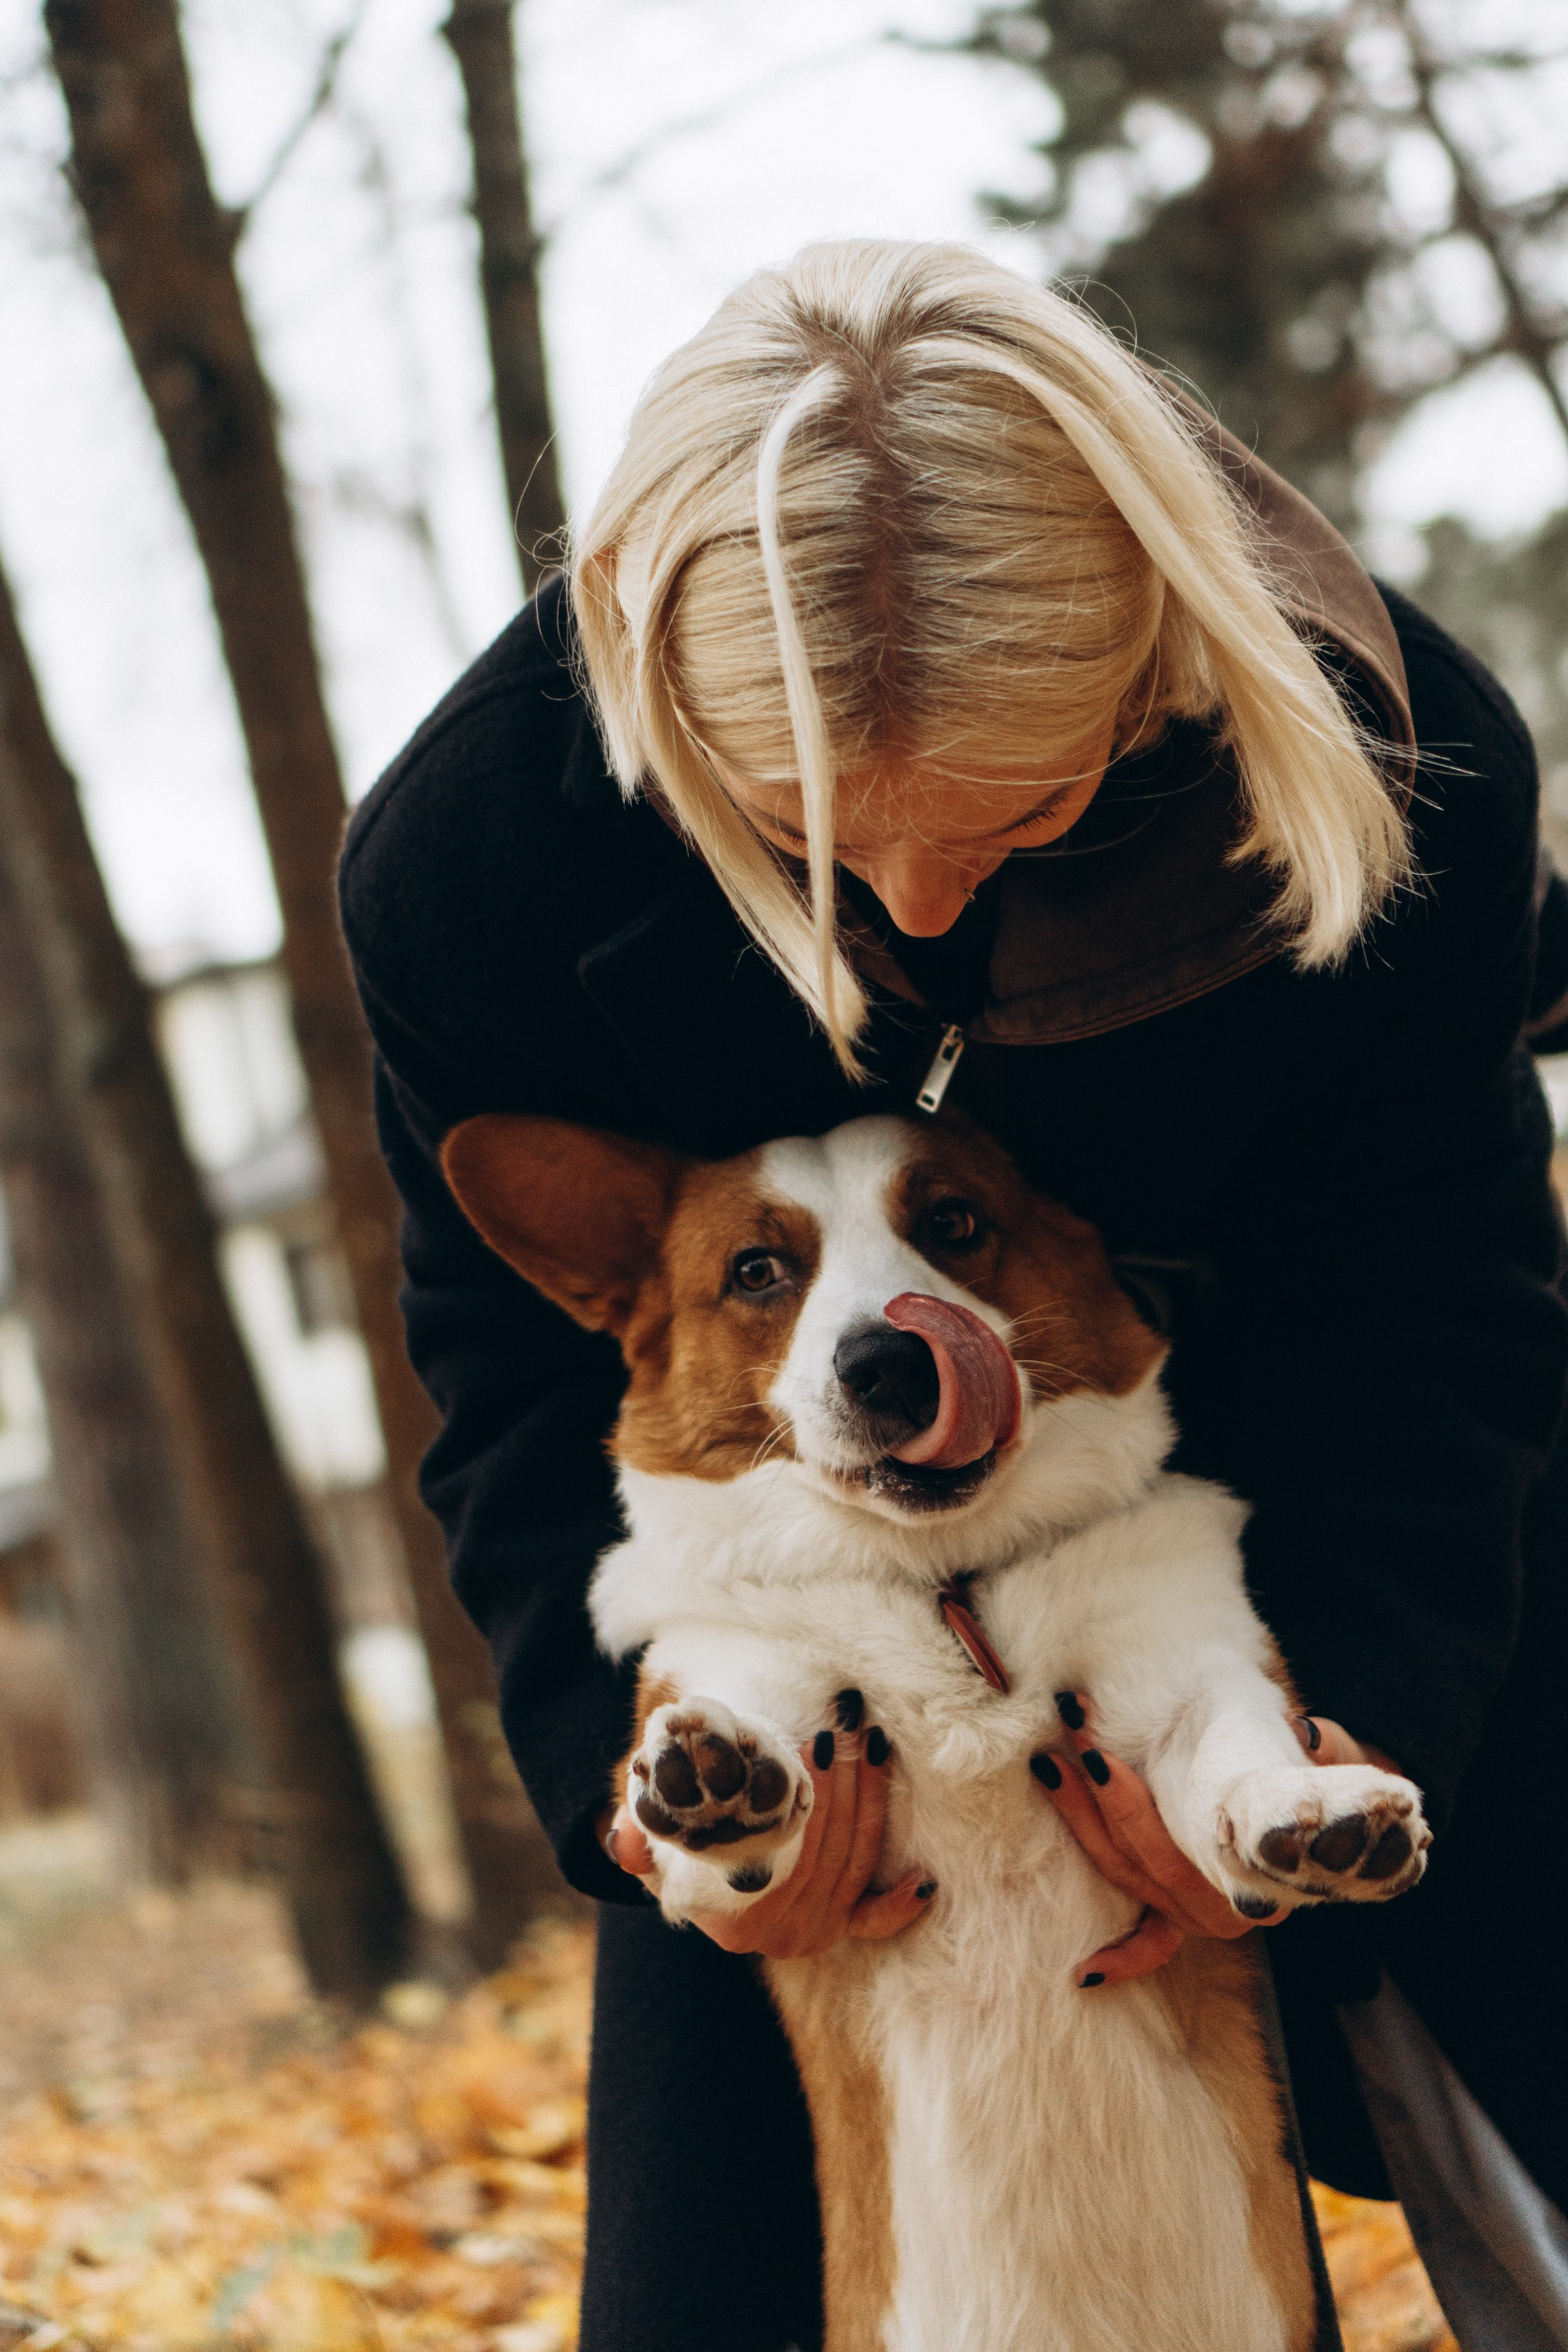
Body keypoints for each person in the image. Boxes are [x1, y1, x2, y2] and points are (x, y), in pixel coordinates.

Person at [339, 241, 1568, 2352]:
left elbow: (1443, 1277)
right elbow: (506, 1381)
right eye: (810, 841)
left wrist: (1348, 1678)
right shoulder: (475, 866)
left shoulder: (1403, 751)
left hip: (1336, 1487)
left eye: (1020, 817)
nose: (911, 905)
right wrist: (630, 1788)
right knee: (713, 2296)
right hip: (791, 1598)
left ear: (1165, 669)